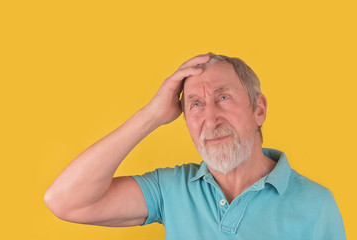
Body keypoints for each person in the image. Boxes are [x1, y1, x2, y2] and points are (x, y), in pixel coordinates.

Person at [44, 53, 346, 239]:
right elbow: (65, 201)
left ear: (259, 109)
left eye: (223, 98)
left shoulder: (316, 206)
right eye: (196, 104)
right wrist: (152, 115)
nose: (210, 119)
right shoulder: (173, 189)